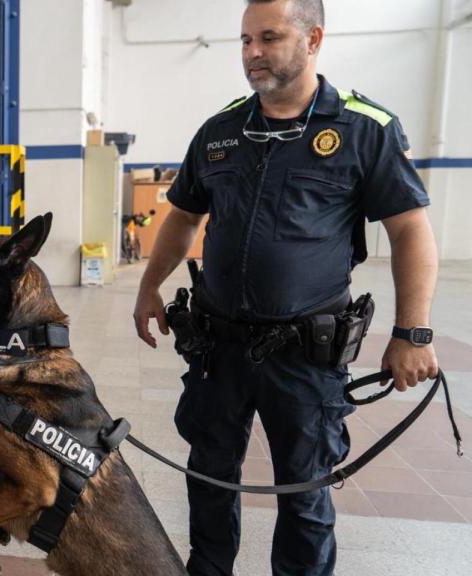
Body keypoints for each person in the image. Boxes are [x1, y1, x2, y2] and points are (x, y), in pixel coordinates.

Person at [132, 1, 438, 575]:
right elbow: (182, 216)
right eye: (245, 40)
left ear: (313, 37)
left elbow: (410, 230)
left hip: (305, 353)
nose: (252, 53)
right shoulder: (222, 130)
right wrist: (150, 286)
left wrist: (413, 331)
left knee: (305, 487)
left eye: (268, 38)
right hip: (217, 346)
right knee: (209, 473)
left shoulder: (363, 128)